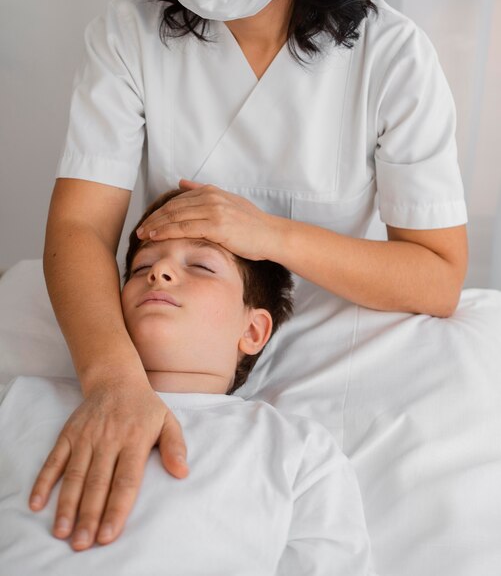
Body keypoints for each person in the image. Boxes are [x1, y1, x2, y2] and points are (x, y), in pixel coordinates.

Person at [31, 0, 469, 553]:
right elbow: (79, 227)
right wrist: (113, 380)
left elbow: (438, 273)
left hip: (338, 334)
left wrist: (267, 235)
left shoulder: (391, 55)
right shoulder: (127, 36)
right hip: (176, 352)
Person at [1, 190, 376, 575]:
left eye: (201, 266)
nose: (157, 273)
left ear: (252, 329)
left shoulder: (293, 448)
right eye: (141, 265)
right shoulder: (20, 401)